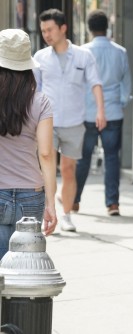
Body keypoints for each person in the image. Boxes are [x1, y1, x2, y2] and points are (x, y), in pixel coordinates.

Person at [34, 9, 106, 233]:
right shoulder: (40, 57)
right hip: (47, 121)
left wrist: (100, 111)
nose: (46, 34)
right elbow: (34, 90)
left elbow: (95, 83)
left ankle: (66, 215)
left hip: (74, 121)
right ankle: (46, 213)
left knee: (67, 169)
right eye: (43, 30)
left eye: (50, 29)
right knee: (46, 168)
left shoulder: (84, 56)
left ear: (63, 28)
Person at [0, 29, 57, 257]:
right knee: (25, 266)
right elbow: (46, 154)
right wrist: (51, 203)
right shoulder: (41, 102)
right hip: (31, 194)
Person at [74, 10, 131, 217]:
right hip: (113, 112)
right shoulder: (120, 52)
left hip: (88, 113)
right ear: (107, 27)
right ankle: (112, 204)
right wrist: (120, 102)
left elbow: (77, 83)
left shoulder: (82, 52)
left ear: (89, 29)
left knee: (83, 158)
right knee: (112, 158)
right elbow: (126, 83)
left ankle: (74, 200)